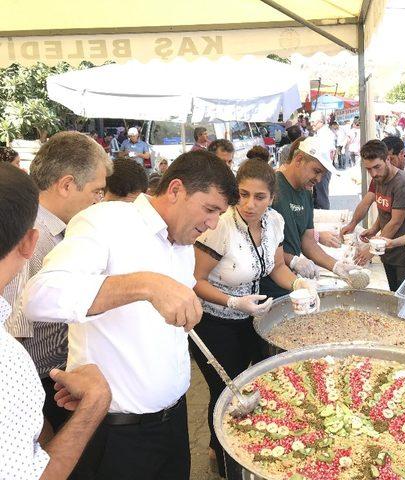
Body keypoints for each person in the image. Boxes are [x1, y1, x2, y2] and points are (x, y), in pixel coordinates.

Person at [24, 150, 239, 480]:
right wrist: (145, 284)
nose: (212, 224)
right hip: (119, 434)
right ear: (176, 189)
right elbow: (39, 296)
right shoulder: (106, 221)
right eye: (209, 209)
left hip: (173, 422)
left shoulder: (183, 242)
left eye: (219, 214)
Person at [192, 159, 311, 476]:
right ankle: (225, 460)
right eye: (243, 194)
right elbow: (196, 280)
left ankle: (256, 449)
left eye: (259, 197)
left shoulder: (274, 221)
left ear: (272, 197)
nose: (249, 204)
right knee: (225, 393)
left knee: (260, 385)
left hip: (254, 318)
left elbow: (277, 268)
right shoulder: (220, 227)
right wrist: (233, 301)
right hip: (214, 322)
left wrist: (300, 283)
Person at [0, 163, 112, 480]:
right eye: (97, 191)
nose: (99, 201)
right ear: (29, 242)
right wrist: (95, 403)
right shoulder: (8, 363)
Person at [259, 137, 358, 299]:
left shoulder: (306, 192)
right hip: (266, 286)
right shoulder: (271, 187)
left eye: (323, 174)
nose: (318, 179)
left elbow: (308, 241)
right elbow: (257, 243)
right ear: (299, 160)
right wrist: (292, 260)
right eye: (316, 171)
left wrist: (336, 266)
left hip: (290, 282)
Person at [352, 140, 405, 291]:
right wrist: (374, 229)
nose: (373, 173)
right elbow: (385, 210)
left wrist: (372, 249)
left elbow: (396, 222)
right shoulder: (379, 179)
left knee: (404, 301)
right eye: (368, 169)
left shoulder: (403, 184)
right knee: (392, 295)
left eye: (377, 167)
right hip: (387, 252)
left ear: (388, 159)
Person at [309, 111, 335, 210]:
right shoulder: (321, 133)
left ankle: (324, 216)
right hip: (321, 167)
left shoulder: (325, 134)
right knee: (318, 195)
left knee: (321, 197)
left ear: (320, 122)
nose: (311, 124)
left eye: (313, 122)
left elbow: (325, 153)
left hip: (323, 167)